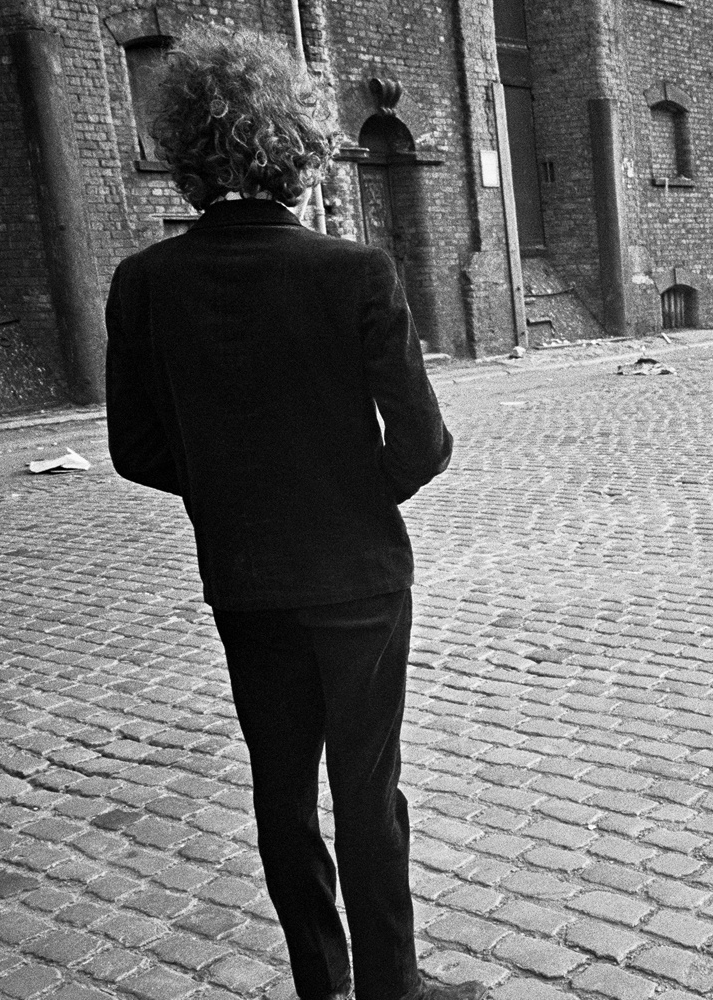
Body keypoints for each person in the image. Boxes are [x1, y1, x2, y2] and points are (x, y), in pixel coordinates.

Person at [104, 31, 477, 1000]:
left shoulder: (144, 282)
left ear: (186, 148)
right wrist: (346, 494)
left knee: (282, 789)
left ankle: (323, 982)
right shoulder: (355, 273)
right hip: (356, 574)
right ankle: (391, 989)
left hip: (247, 578)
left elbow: (136, 451)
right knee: (367, 792)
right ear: (297, 146)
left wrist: (242, 494)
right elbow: (423, 444)